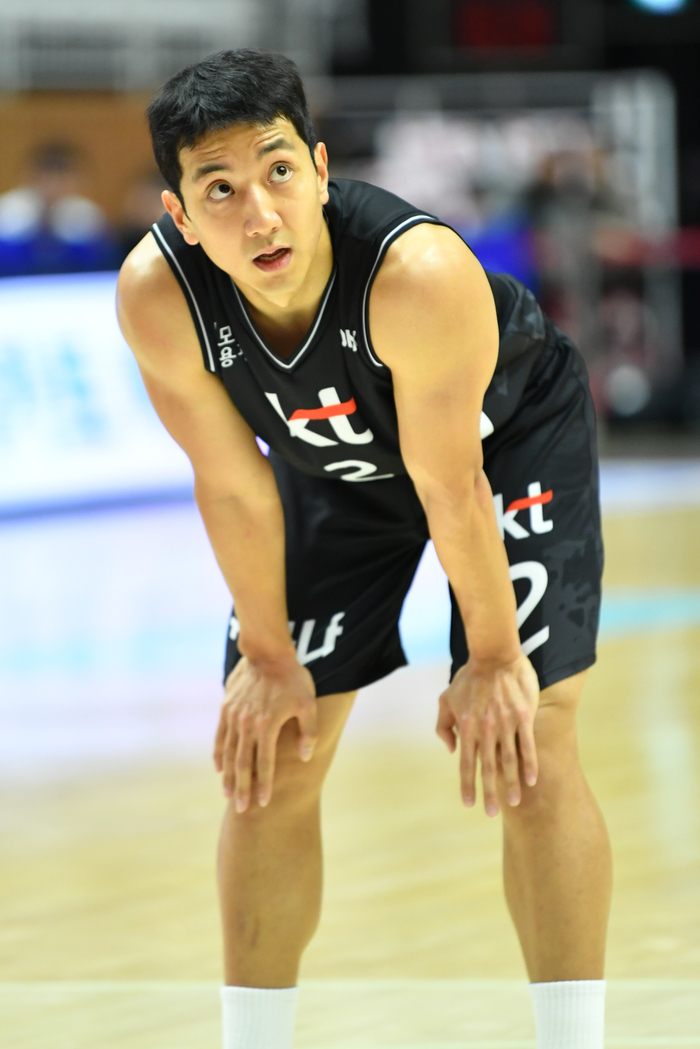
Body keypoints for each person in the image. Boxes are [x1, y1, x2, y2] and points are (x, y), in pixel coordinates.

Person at [117, 49, 612, 1049]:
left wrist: (491, 657)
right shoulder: (157, 296)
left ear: (320, 168)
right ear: (180, 213)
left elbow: (450, 484)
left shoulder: (414, 274)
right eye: (221, 189)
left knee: (531, 734)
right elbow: (233, 483)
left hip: (501, 443)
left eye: (278, 171)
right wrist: (267, 656)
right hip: (335, 467)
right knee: (270, 751)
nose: (260, 213)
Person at [0, 142, 115, 276]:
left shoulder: (91, 220)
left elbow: (103, 267)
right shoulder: (7, 217)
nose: (52, 188)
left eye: (61, 180)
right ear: (27, 180)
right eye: (45, 179)